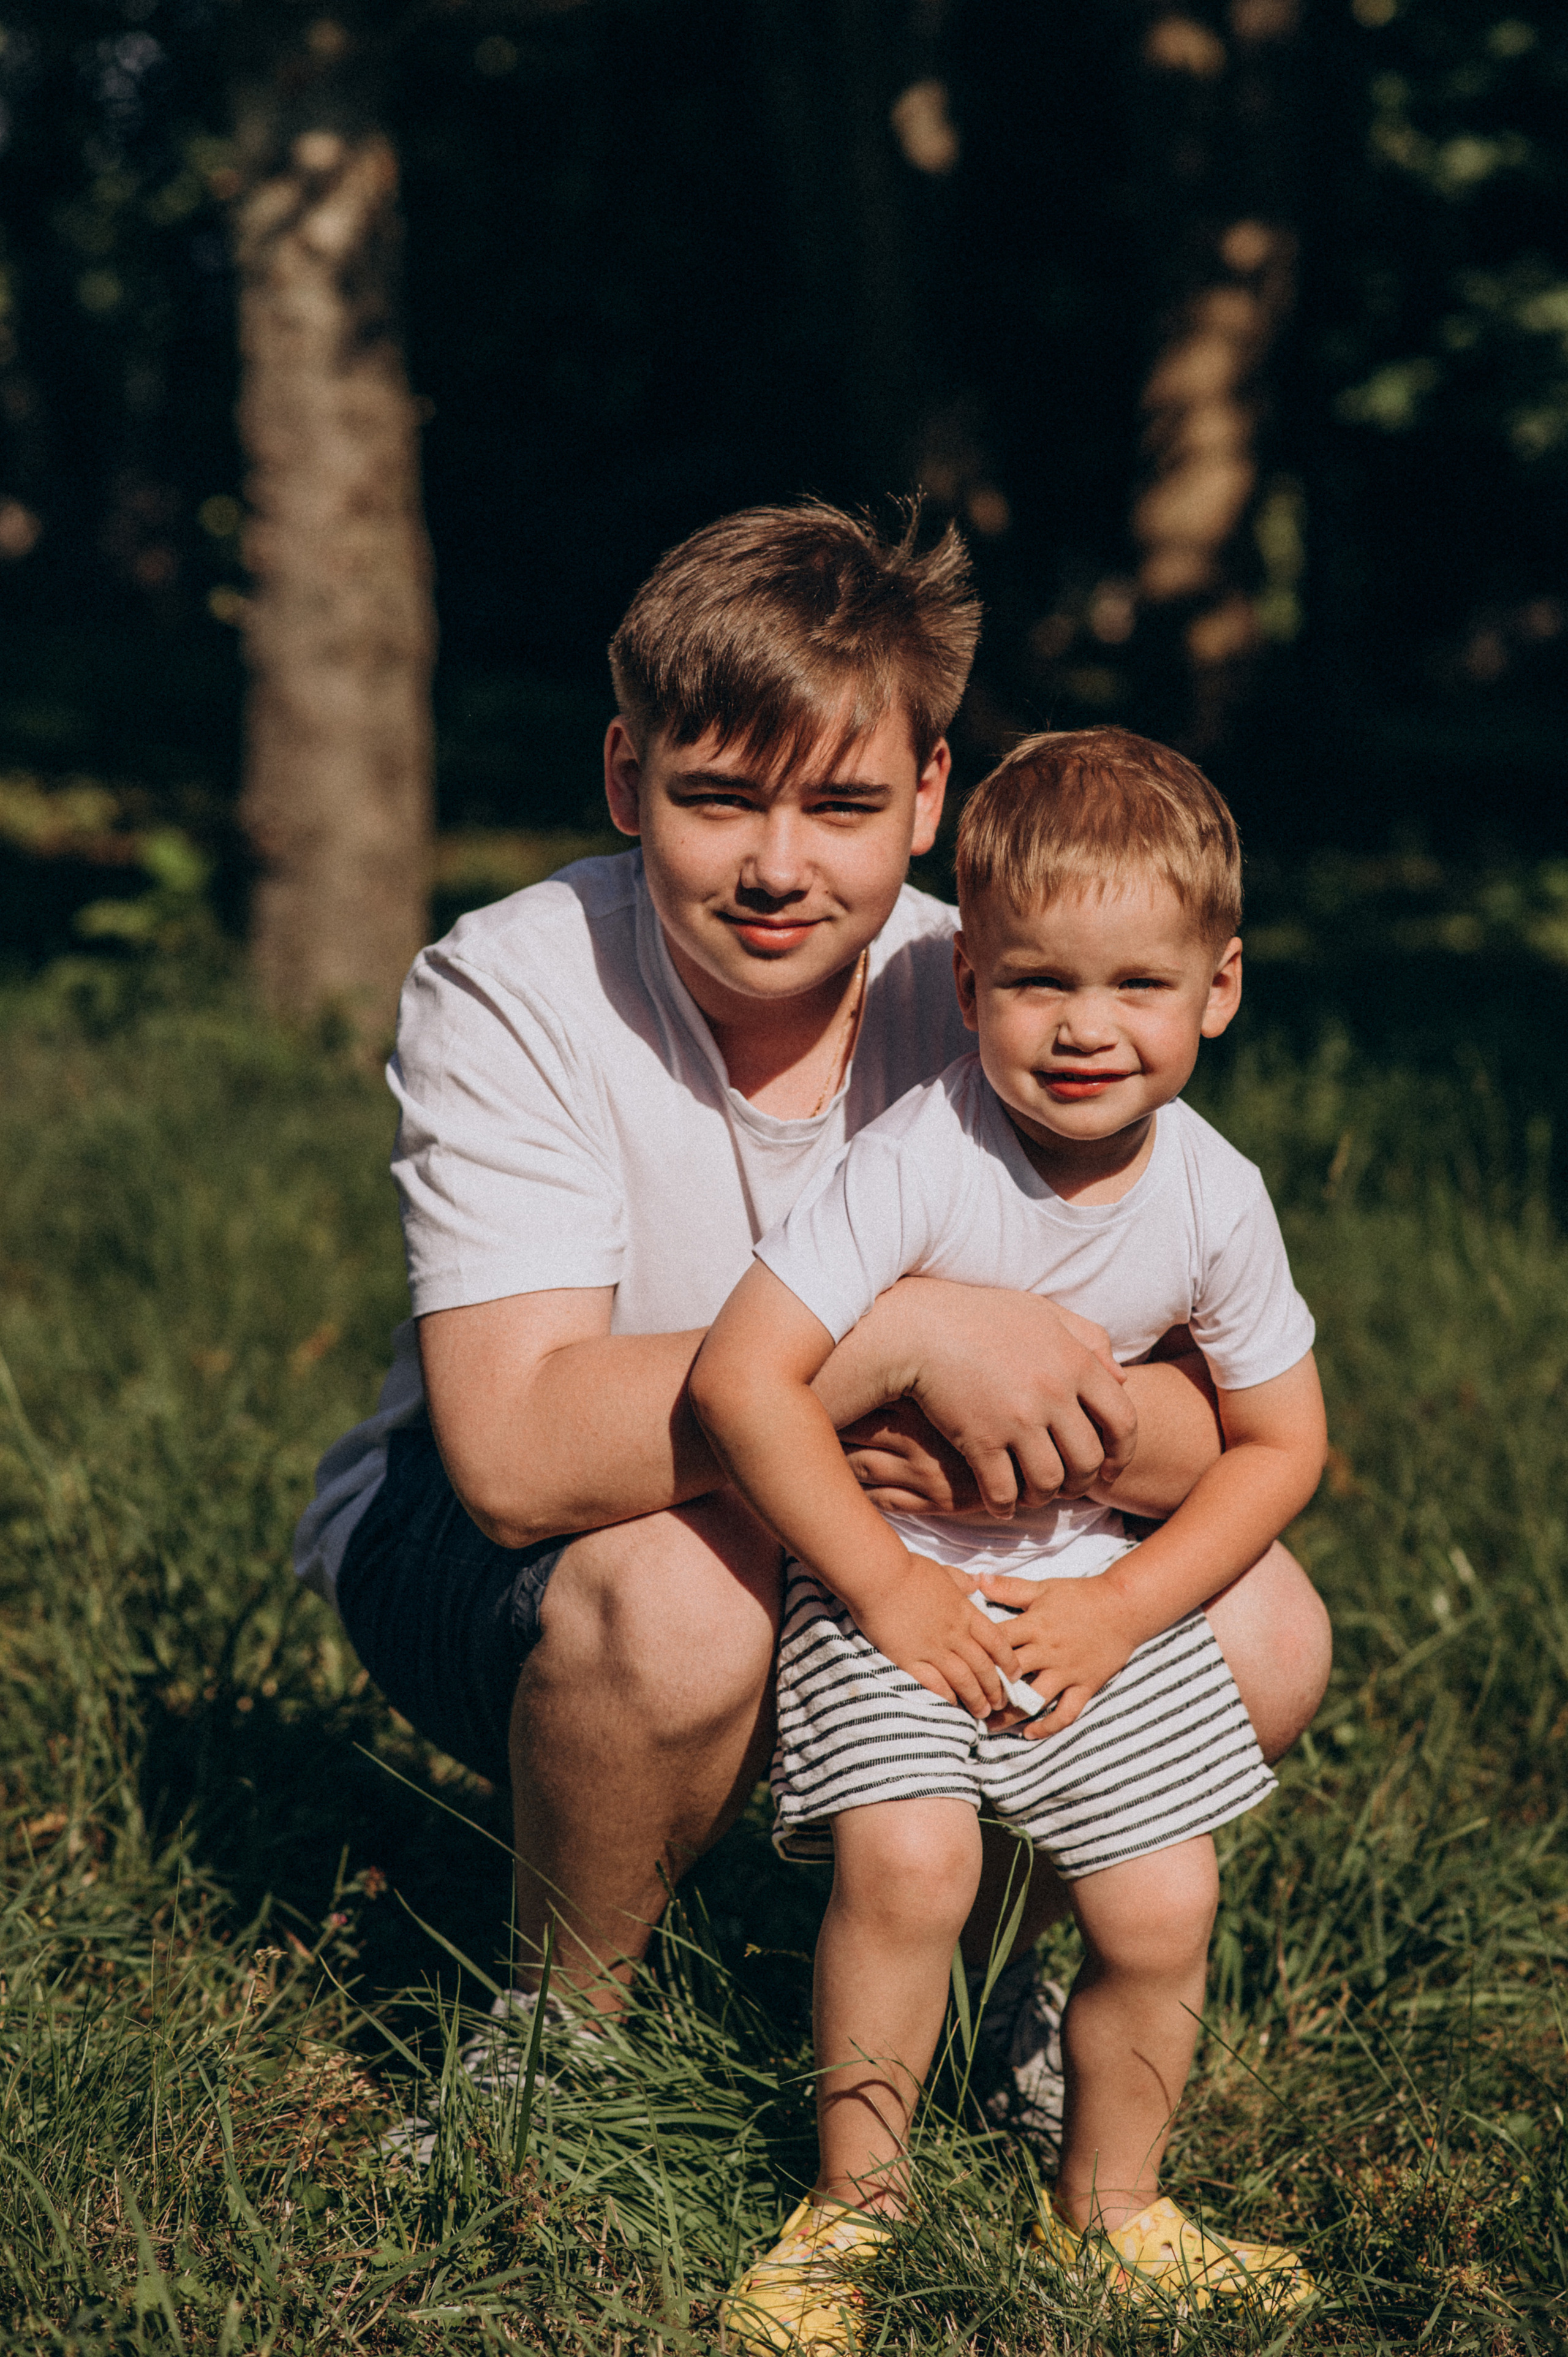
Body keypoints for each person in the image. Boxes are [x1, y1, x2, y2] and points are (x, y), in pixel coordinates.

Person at [292, 505, 1330, 2124]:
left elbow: (1217, 1433)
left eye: (845, 804)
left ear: (929, 797)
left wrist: (1006, 1429)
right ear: (628, 777)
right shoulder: (515, 985)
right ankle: (562, 2047)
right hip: (516, 1551)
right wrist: (903, 1352)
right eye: (717, 800)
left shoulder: (1009, 984)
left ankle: (988, 1988)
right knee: (688, 1592)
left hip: (905, 1541)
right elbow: (511, 1454)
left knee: (1265, 1623)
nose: (780, 865)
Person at [690, 727, 1325, 2336]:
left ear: (1219, 988)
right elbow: (741, 1379)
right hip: (891, 1597)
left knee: (1164, 1905)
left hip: (1095, 1593)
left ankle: (1110, 2210)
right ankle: (856, 2214)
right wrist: (884, 1580)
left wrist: (1129, 1610)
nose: (1089, 1030)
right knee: (910, 1863)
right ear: (967, 981)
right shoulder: (919, 1160)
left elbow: (1281, 1447)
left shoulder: (1214, 1195)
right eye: (1041, 983)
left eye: (1139, 987)